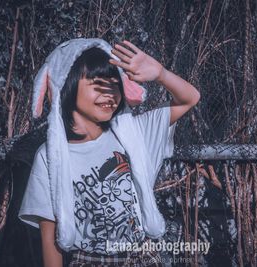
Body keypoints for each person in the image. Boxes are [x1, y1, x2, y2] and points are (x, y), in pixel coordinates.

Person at [18, 38, 200, 267]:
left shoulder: (136, 134)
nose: (110, 94)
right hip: (88, 261)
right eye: (98, 85)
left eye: (115, 85)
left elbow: (189, 98)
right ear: (67, 85)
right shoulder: (50, 157)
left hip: (144, 258)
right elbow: (50, 235)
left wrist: (161, 73)